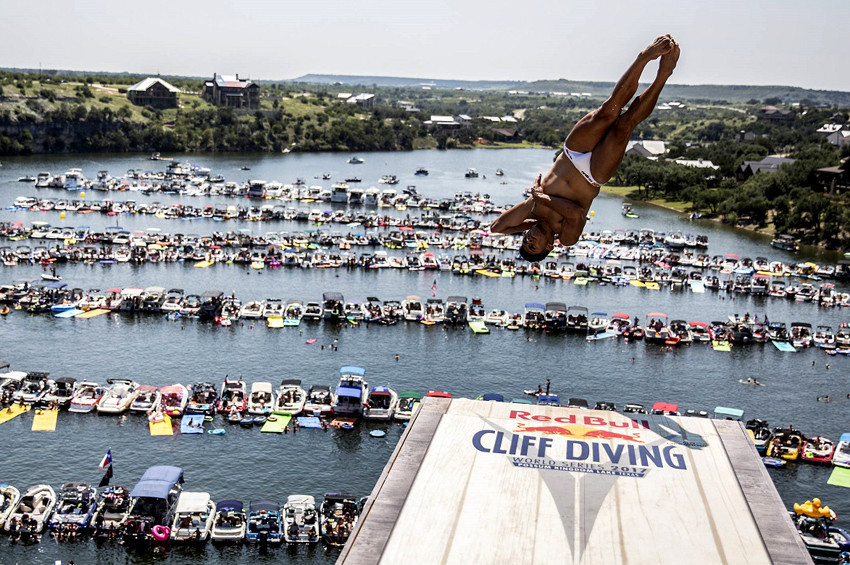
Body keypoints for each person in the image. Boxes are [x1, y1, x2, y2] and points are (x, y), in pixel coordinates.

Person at [490, 35, 680, 261]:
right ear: (549, 246)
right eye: (533, 247)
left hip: (571, 155)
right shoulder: (566, 236)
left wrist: (525, 221)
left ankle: (644, 57)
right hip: (593, 175)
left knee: (608, 110)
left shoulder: (530, 211)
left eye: (525, 241)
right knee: (624, 125)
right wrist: (541, 198)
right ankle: (663, 74)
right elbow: (576, 213)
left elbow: (495, 228)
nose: (528, 241)